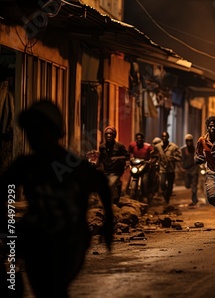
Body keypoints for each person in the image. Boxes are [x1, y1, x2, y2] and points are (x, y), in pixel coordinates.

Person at [0, 100, 113, 297]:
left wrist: (109, 222)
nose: (34, 136)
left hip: (69, 241)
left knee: (51, 289)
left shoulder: (74, 167)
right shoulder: (26, 166)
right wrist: (9, 232)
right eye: (31, 130)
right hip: (37, 240)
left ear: (54, 131)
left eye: (40, 129)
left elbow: (101, 184)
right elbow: (5, 190)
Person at [97, 125, 128, 204]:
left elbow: (127, 156)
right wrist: (96, 165)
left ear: (114, 135)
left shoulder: (119, 146)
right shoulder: (102, 147)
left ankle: (114, 197)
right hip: (106, 170)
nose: (109, 136)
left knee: (110, 184)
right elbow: (100, 158)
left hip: (116, 171)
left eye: (111, 134)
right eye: (107, 134)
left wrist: (117, 158)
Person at [155, 131, 182, 206]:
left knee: (170, 186)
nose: (164, 138)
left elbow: (180, 157)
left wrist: (173, 158)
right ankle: (165, 198)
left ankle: (167, 200)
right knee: (162, 185)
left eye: (165, 137)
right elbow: (153, 155)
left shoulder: (174, 147)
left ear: (168, 137)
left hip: (171, 169)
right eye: (163, 137)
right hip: (162, 169)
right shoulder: (157, 147)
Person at [128, 132, 154, 203]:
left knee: (145, 180)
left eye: (140, 139)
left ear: (143, 139)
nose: (139, 140)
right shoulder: (132, 145)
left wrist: (151, 160)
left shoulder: (148, 147)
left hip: (145, 167)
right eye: (137, 139)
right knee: (131, 175)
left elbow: (153, 154)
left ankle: (146, 194)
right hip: (136, 166)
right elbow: (128, 153)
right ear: (136, 140)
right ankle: (128, 191)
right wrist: (129, 159)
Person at [180, 134, 200, 207]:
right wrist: (181, 168)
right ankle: (194, 199)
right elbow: (180, 159)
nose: (189, 142)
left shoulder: (196, 149)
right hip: (186, 170)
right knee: (187, 185)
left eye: (190, 140)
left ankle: (194, 200)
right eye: (187, 141)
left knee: (194, 186)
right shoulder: (182, 150)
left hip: (194, 169)